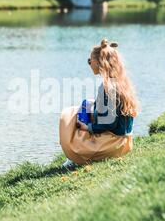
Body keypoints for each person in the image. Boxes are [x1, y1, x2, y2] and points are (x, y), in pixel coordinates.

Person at [59, 38, 138, 170]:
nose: (89, 63)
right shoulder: (121, 82)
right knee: (87, 104)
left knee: (68, 115)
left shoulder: (108, 87)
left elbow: (109, 122)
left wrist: (87, 127)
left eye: (90, 60)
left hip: (113, 145)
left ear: (99, 62)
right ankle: (82, 148)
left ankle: (76, 155)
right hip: (125, 142)